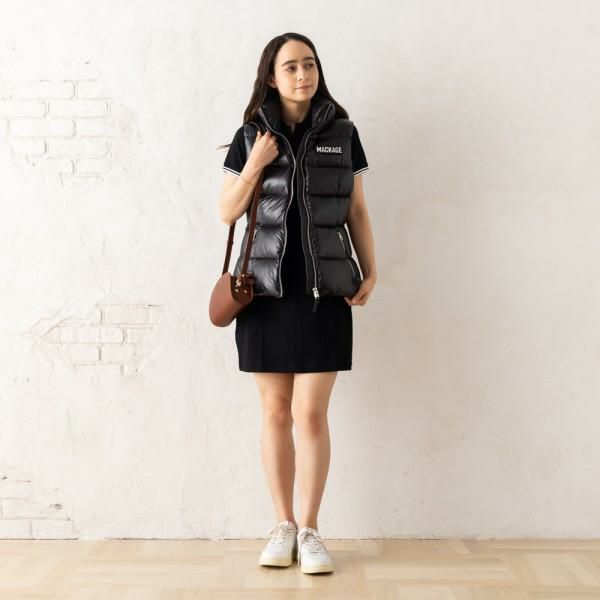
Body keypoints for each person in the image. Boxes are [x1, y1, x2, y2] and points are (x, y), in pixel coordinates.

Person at [217, 32, 377, 575]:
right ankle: (282, 524)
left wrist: (371, 267)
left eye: (309, 64)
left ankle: (309, 530)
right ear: (271, 76)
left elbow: (357, 209)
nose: (303, 74)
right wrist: (255, 162)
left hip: (323, 292)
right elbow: (226, 211)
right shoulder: (249, 136)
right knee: (275, 412)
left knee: (310, 414)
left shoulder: (343, 134)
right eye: (290, 67)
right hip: (264, 295)